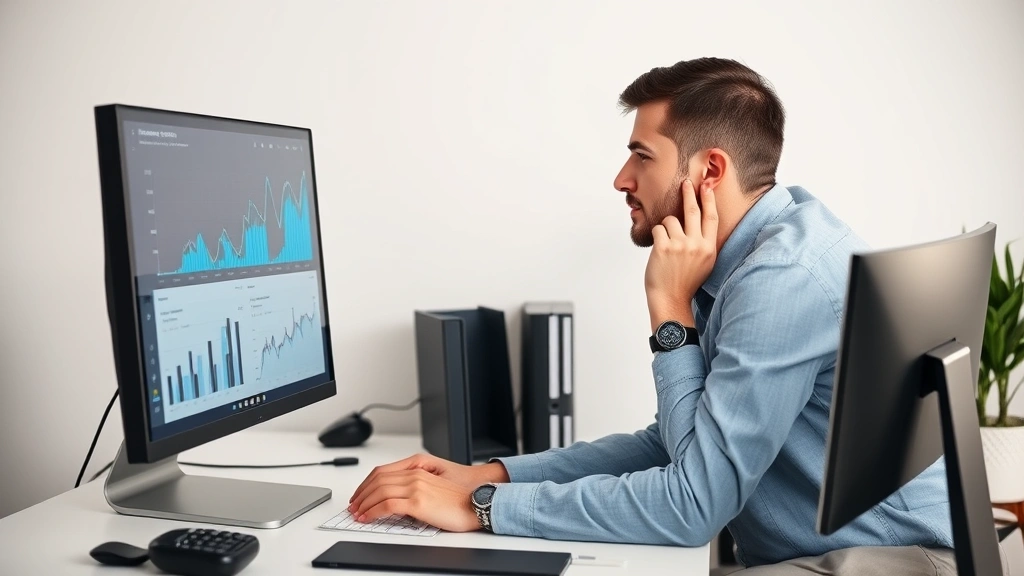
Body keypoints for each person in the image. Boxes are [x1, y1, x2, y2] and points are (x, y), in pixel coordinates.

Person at [347, 57, 957, 575]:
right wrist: (491, 476)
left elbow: (692, 502)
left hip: (888, 560)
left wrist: (479, 508)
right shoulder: (756, 253)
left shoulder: (782, 280)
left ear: (709, 171)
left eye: (642, 155)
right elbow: (674, 447)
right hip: (824, 550)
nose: (621, 179)